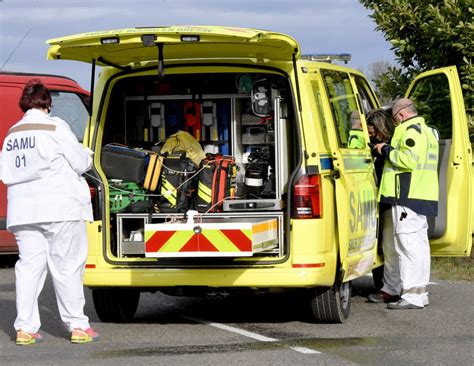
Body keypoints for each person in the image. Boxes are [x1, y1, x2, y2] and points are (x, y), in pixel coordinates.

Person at [0, 80, 99, 345]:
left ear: (24, 104)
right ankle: (77, 326)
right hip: (59, 208)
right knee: (67, 267)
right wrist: (88, 155)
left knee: (29, 269)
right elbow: (79, 163)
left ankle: (25, 329)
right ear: (48, 103)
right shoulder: (55, 127)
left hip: (23, 211)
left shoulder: (12, 134)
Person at [368, 98, 439, 309]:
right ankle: (397, 289)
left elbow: (408, 160)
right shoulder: (427, 131)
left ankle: (413, 295)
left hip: (408, 196)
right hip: (412, 196)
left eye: (394, 117)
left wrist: (384, 150)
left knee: (410, 247)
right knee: (405, 246)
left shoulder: (411, 131)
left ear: (400, 114)